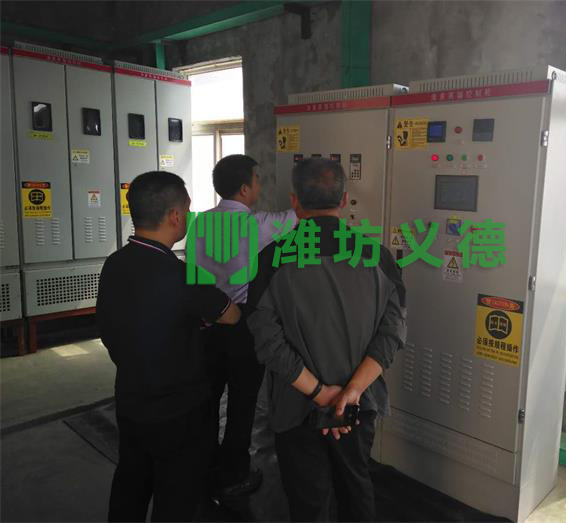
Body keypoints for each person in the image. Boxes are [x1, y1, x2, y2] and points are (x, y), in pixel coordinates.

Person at [247, 158, 407, 521]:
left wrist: (321, 394)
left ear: (294, 201)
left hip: (296, 408)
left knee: (308, 502)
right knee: (356, 487)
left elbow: (267, 342)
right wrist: (351, 392)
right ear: (344, 199)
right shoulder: (379, 258)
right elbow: (392, 334)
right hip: (358, 406)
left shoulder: (272, 259)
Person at [97, 171, 241, 522]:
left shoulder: (114, 264)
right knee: (177, 493)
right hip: (180, 409)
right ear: (175, 216)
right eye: (188, 211)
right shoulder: (182, 275)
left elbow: (107, 327)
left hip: (130, 399)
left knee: (131, 482)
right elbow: (231, 315)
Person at [193, 154, 297, 501]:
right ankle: (234, 474)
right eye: (257, 179)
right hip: (242, 327)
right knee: (242, 403)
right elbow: (300, 214)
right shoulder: (257, 224)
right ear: (244, 188)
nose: (260, 185)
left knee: (208, 399)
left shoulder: (200, 222)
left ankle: (204, 467)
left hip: (206, 323)